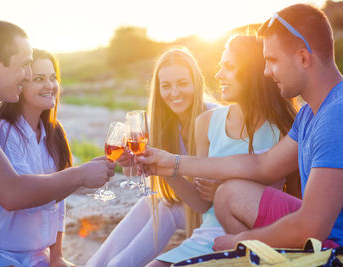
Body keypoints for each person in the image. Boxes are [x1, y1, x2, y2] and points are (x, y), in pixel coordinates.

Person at [139, 3, 343, 251]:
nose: (266, 72)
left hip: (333, 245)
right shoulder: (311, 113)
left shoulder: (336, 115)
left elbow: (312, 227)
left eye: (272, 60)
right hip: (319, 231)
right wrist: (174, 162)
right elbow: (262, 165)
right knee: (229, 194)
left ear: (302, 58)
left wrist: (239, 243)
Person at [0, 20, 115, 266]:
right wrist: (79, 175)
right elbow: (10, 193)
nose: (27, 74)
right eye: (24, 65)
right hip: (0, 252)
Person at [147, 35, 298, 267]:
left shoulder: (285, 129)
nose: (218, 75)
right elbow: (201, 204)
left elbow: (294, 203)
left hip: (257, 239)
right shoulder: (207, 122)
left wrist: (226, 191)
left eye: (229, 67)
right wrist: (167, 171)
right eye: (220, 66)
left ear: (253, 72)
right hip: (207, 237)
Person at [87, 48, 219, 267]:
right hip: (181, 200)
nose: (174, 92)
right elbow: (137, 172)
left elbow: (205, 198)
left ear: (196, 82)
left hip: (212, 210)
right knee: (150, 202)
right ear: (158, 89)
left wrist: (165, 171)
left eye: (182, 83)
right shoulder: (162, 123)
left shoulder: (215, 117)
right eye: (166, 85)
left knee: (165, 207)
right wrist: (128, 163)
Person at [0, 49, 76, 266]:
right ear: (21, 84)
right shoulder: (1, 131)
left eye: (53, 77)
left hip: (37, 257)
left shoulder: (55, 133)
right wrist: (79, 177)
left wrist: (56, 255)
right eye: (39, 79)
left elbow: (59, 200)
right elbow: (24, 199)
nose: (50, 85)